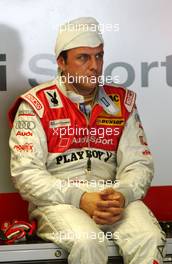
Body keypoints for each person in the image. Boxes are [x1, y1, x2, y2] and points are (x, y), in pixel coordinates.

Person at [9, 17, 166, 264]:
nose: (95, 66)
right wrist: (80, 198)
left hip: (112, 198)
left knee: (148, 236)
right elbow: (26, 174)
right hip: (59, 203)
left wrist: (122, 194)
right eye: (83, 57)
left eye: (99, 56)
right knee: (88, 241)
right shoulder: (36, 105)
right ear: (62, 62)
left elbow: (139, 164)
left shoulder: (120, 103)